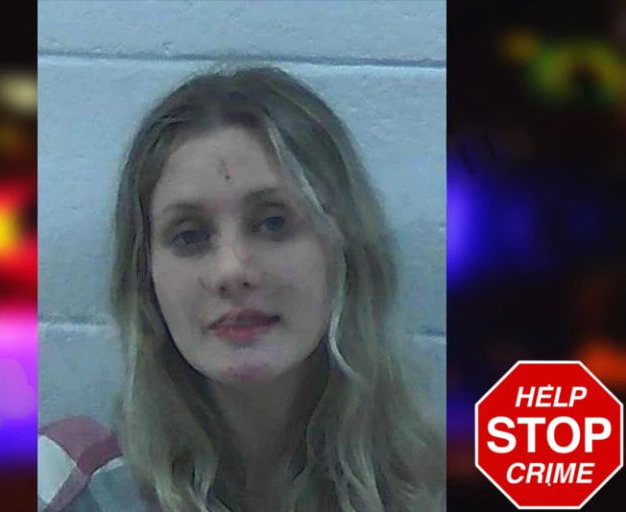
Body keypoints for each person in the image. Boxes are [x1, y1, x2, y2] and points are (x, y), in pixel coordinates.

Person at [41, 64, 444, 512]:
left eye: (273, 223)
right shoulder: (67, 488)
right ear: (145, 278)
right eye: (190, 236)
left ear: (345, 250)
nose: (232, 270)